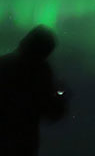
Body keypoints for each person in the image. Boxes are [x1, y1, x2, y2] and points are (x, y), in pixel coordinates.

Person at [0, 25, 68, 156]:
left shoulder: (4, 65)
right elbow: (52, 111)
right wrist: (60, 98)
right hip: (24, 143)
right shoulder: (41, 73)